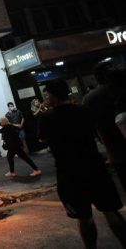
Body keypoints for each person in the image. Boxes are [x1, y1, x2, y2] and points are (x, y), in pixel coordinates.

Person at [38, 79, 126, 248]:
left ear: (51, 95)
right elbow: (95, 131)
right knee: (111, 212)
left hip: (69, 173)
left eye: (47, 94)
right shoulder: (84, 110)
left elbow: (42, 138)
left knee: (84, 218)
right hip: (95, 168)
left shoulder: (46, 117)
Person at [82, 63, 126, 192]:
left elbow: (93, 128)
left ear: (96, 78)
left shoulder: (90, 99)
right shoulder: (121, 90)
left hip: (116, 150)